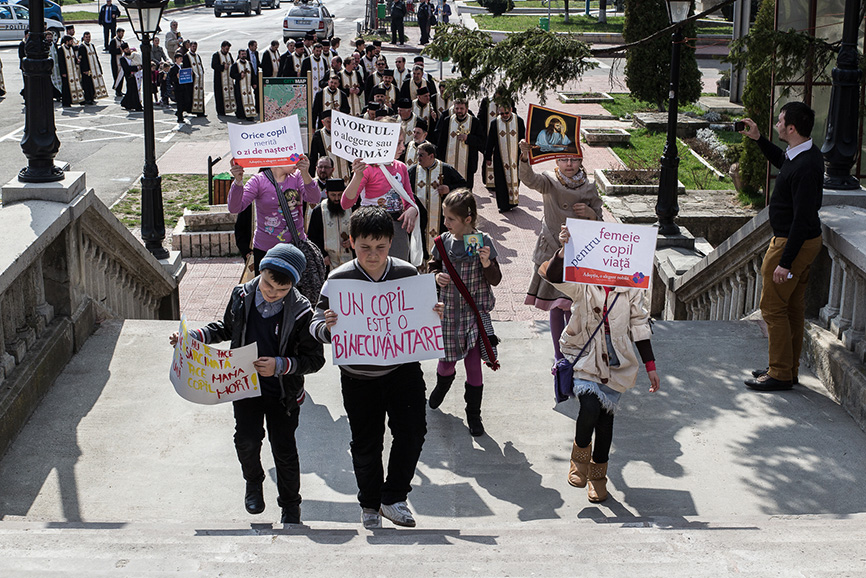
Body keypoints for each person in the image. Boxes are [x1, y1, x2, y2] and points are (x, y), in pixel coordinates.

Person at [170, 244, 325, 525]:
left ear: (293, 285)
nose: (271, 293)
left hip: (282, 395)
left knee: (284, 450)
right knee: (246, 440)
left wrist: (280, 365)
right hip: (243, 386)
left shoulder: (303, 313)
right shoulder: (241, 296)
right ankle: (253, 481)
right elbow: (226, 327)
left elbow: (314, 360)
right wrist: (195, 336)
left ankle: (291, 504)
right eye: (267, 285)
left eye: (280, 290)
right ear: (259, 271)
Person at [310, 206, 443, 529]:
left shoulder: (408, 275)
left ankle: (394, 498)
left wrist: (434, 313)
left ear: (391, 242)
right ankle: (369, 504)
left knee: (412, 433)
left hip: (403, 372)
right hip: (358, 378)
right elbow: (313, 323)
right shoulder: (337, 280)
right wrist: (328, 328)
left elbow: (424, 316)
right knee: (366, 442)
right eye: (365, 247)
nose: (373, 255)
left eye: (381, 247)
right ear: (351, 242)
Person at [541, 225, 660, 503]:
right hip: (584, 355)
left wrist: (651, 366)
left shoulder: (631, 287)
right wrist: (563, 249)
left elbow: (640, 326)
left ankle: (598, 477)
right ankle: (579, 456)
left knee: (606, 423)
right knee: (590, 407)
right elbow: (554, 277)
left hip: (617, 360)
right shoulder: (584, 280)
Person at [740, 102, 824, 392]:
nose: (777, 125)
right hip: (800, 241)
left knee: (773, 309)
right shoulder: (803, 154)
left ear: (791, 128)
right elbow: (782, 162)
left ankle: (779, 373)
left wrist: (785, 262)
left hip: (791, 242)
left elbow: (802, 218)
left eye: (780, 121)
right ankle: (787, 368)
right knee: (792, 309)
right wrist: (759, 139)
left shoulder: (806, 167)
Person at [517, 139, 602, 362]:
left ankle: (575, 351)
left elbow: (600, 220)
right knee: (556, 305)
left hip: (579, 254)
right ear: (556, 159)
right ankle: (559, 356)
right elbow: (528, 179)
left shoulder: (589, 186)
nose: (569, 163)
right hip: (551, 251)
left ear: (581, 159)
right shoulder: (549, 181)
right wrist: (525, 157)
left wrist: (591, 214)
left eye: (574, 159)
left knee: (573, 307)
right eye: (563, 159)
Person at [428, 190, 501, 436]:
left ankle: (474, 414)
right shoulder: (441, 243)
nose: (446, 224)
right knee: (446, 362)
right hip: (447, 316)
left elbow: (496, 279)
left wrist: (487, 264)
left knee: (474, 368)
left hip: (473, 316)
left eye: (451, 219)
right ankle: (442, 385)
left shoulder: (485, 242)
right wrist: (436, 277)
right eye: (445, 218)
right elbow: (431, 269)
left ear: (468, 219)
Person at [227, 156, 321, 274]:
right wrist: (238, 181)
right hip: (266, 250)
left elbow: (314, 198)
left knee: (295, 290)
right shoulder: (258, 180)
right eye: (292, 157)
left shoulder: (297, 176)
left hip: (295, 247)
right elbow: (234, 208)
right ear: (279, 158)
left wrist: (306, 174)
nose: (297, 161)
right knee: (267, 289)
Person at [341, 134, 417, 262]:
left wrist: (412, 209)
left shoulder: (401, 167)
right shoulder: (368, 167)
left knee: (397, 273)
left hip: (396, 229)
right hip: (371, 227)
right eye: (398, 143)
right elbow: (346, 203)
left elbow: (409, 200)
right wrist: (357, 176)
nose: (403, 148)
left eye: (403, 143)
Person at [409, 142, 467, 257]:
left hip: (441, 219)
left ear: (431, 156)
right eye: (417, 155)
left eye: (421, 155)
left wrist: (449, 189)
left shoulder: (445, 169)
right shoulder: (412, 171)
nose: (418, 158)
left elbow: (464, 186)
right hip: (419, 219)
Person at [435, 98, 485, 190]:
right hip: (449, 162)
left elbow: (481, 141)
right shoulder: (447, 121)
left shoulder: (474, 122)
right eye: (457, 108)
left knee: (466, 192)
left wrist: (468, 138)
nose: (459, 111)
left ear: (466, 109)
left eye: (461, 109)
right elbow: (441, 142)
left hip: (467, 165)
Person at [485, 103, 525, 212]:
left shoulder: (519, 121)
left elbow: (524, 137)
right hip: (500, 158)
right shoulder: (495, 123)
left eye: (507, 113)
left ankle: (513, 202)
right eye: (502, 113)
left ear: (511, 110)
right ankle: (503, 205)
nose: (505, 115)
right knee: (501, 182)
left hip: (515, 157)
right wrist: (487, 157)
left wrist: (525, 153)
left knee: (515, 179)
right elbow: (490, 141)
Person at [307, 178, 354, 270]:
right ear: (327, 193)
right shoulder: (319, 211)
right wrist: (323, 255)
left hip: (350, 258)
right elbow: (312, 237)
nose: (337, 198)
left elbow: (360, 232)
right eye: (333, 195)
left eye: (340, 195)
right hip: (328, 262)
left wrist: (352, 242)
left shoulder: (351, 208)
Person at [308, 111, 352, 185]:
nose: (330, 125)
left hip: (345, 174)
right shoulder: (318, 135)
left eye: (333, 122)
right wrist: (310, 177)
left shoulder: (345, 133)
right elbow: (313, 157)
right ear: (323, 122)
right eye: (328, 122)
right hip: (326, 175)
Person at [57, 35, 84, 108]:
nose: (72, 43)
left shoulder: (71, 48)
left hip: (73, 71)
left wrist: (77, 61)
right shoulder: (61, 49)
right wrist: (63, 72)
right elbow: (61, 62)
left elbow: (73, 57)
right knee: (66, 87)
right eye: (71, 41)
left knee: (74, 85)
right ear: (67, 41)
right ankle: (66, 102)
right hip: (66, 72)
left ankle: (75, 99)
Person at [230, 49, 256, 120]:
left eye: (245, 54)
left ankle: (249, 114)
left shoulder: (249, 63)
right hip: (239, 86)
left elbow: (253, 74)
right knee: (240, 100)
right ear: (239, 55)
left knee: (249, 99)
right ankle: (241, 114)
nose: (244, 55)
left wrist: (254, 83)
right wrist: (239, 76)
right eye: (242, 54)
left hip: (248, 86)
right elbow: (232, 74)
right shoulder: (236, 64)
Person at [212, 41, 235, 116]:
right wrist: (222, 67)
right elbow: (214, 65)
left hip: (229, 80)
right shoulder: (216, 55)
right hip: (220, 80)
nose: (227, 50)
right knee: (220, 96)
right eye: (226, 49)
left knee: (231, 94)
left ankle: (231, 108)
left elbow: (233, 63)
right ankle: (221, 111)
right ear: (222, 47)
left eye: (228, 49)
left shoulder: (229, 54)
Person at [119, 43, 143, 112]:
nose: (128, 50)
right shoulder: (123, 59)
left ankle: (126, 103)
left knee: (131, 91)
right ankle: (138, 106)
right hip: (130, 76)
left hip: (136, 75)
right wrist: (136, 68)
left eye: (128, 48)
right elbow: (126, 68)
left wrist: (139, 66)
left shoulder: (133, 55)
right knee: (134, 91)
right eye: (126, 49)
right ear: (123, 50)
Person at [168, 51, 189, 124]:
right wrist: (176, 77)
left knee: (185, 102)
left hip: (184, 87)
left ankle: (179, 112)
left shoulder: (182, 66)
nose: (181, 60)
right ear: (176, 59)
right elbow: (171, 79)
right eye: (179, 58)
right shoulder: (173, 68)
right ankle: (180, 118)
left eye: (181, 58)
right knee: (179, 103)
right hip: (178, 88)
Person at [188, 41, 206, 117]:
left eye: (195, 47)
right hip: (192, 81)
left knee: (201, 95)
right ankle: (193, 110)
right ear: (190, 47)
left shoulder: (197, 56)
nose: (194, 48)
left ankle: (201, 112)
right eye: (193, 46)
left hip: (199, 80)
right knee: (192, 95)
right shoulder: (187, 56)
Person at [109, 28, 125, 96]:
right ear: (117, 33)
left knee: (121, 75)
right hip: (115, 61)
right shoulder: (113, 41)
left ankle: (120, 90)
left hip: (121, 61)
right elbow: (111, 51)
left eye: (122, 33)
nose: (122, 35)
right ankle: (117, 90)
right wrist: (119, 50)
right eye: (120, 33)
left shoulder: (122, 42)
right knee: (116, 75)